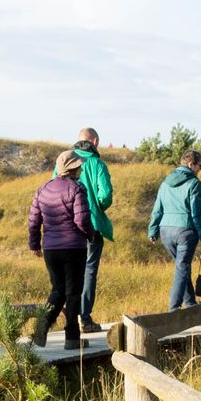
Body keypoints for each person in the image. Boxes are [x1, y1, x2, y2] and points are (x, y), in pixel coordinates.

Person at [27, 150, 94, 348]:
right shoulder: (77, 189)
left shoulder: (43, 189)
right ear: (73, 168)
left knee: (58, 289)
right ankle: (72, 339)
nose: (81, 169)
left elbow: (33, 221)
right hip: (73, 247)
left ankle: (42, 326)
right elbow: (81, 219)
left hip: (50, 248)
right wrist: (90, 234)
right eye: (79, 166)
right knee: (73, 292)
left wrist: (34, 244)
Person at [147, 148, 201, 309]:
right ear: (191, 164)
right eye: (200, 165)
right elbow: (198, 213)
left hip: (165, 231)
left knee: (182, 266)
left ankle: (190, 303)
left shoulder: (165, 182)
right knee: (182, 268)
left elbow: (157, 209)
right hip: (185, 231)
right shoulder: (194, 183)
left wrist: (153, 230)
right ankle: (173, 309)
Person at [71, 127, 113, 331]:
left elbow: (56, 187)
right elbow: (105, 195)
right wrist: (97, 207)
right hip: (91, 224)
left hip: (68, 225)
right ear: (94, 141)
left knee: (71, 271)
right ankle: (84, 318)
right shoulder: (97, 163)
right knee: (89, 271)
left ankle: (71, 317)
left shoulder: (65, 160)